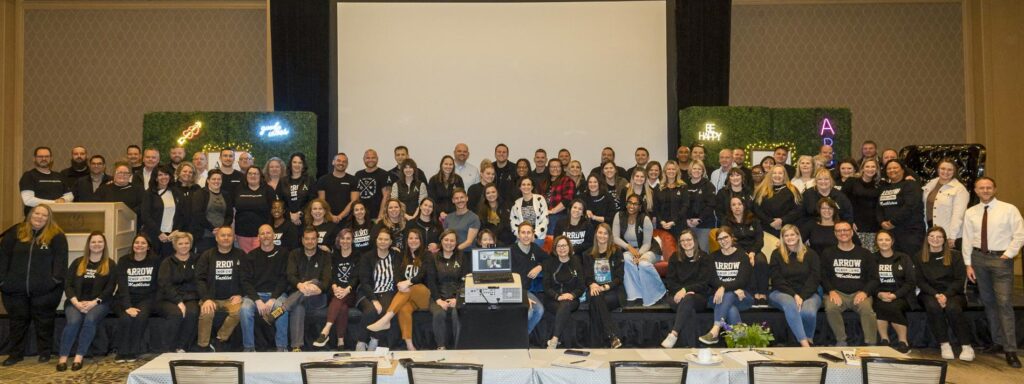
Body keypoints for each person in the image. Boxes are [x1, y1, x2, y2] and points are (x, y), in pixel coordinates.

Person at [962, 177, 1023, 367]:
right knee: (988, 303)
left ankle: (1010, 349)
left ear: (995, 189)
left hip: (1001, 260)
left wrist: (1008, 254)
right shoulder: (971, 212)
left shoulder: (1009, 209)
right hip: (978, 260)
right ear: (976, 190)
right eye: (982, 188)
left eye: (989, 187)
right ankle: (997, 342)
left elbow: (1020, 234)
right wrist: (968, 264)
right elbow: (966, 238)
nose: (986, 190)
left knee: (1004, 303)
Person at [57, 232, 116, 371]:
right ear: (88, 245)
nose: (96, 244)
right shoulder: (78, 262)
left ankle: (79, 356)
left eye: (100, 241)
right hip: (75, 301)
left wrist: (93, 303)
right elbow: (68, 284)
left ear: (104, 245)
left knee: (90, 320)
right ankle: (63, 357)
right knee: (73, 322)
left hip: (99, 303)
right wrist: (76, 303)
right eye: (93, 242)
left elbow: (110, 288)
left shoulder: (110, 264)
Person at [365, 228, 432, 350]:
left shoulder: (427, 255)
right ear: (406, 240)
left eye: (416, 238)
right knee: (404, 309)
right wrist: (401, 283)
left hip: (424, 294)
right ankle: (410, 346)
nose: (413, 241)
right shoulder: (401, 255)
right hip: (408, 296)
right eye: (410, 238)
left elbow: (423, 274)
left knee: (411, 288)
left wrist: (409, 282)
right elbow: (396, 273)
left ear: (421, 241)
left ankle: (386, 319)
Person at [917, 227, 975, 361]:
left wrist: (946, 295)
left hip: (953, 293)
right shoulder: (919, 256)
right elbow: (920, 281)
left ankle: (966, 346)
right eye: (932, 236)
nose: (935, 240)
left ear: (944, 240)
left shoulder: (955, 256)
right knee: (933, 306)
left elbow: (960, 280)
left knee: (952, 307)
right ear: (927, 239)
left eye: (939, 237)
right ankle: (944, 344)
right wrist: (936, 295)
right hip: (929, 293)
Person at [821, 221, 879, 346]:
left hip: (859, 293)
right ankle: (841, 340)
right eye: (839, 231)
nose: (843, 233)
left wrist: (865, 292)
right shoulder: (827, 253)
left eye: (846, 230)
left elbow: (874, 278)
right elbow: (823, 276)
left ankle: (871, 344)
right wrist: (831, 291)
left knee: (867, 309)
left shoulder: (865, 254)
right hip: (836, 293)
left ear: (852, 232)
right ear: (835, 234)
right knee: (831, 308)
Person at [768, 224, 821, 347]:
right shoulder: (776, 254)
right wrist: (794, 295)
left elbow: (815, 278)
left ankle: (809, 339)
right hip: (781, 292)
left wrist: (802, 295)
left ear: (798, 236)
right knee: (790, 303)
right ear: (782, 238)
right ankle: (805, 345)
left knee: (808, 312)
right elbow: (777, 279)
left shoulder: (811, 254)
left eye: (792, 234)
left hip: (808, 292)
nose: (789, 237)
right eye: (786, 235)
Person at [240, 225, 290, 352]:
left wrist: (273, 298)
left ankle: (281, 347)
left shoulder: (284, 253)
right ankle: (249, 348)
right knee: (245, 309)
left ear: (274, 236)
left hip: (277, 295)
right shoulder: (251, 256)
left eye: (268, 233)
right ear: (258, 237)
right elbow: (245, 281)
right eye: (262, 233)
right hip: (255, 296)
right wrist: (257, 300)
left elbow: (285, 278)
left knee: (281, 308)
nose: (266, 236)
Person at [699, 227, 752, 345]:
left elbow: (742, 281)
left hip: (742, 298)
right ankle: (740, 343)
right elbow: (711, 279)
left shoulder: (742, 256)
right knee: (731, 309)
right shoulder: (712, 257)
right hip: (717, 299)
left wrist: (723, 287)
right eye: (720, 239)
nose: (723, 241)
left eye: (725, 237)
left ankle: (715, 329)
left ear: (732, 237)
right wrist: (732, 289)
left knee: (728, 295)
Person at [196, 226, 246, 351]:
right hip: (211, 298)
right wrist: (206, 298)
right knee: (206, 312)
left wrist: (240, 294)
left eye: (229, 235)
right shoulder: (207, 255)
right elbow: (199, 279)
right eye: (223, 235)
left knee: (239, 312)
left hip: (231, 299)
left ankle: (219, 340)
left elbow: (246, 278)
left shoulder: (240, 254)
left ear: (234, 238)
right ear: (217, 238)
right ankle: (203, 346)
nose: (226, 238)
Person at [660, 230, 713, 348]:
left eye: (688, 239)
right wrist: (682, 291)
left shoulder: (704, 258)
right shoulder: (675, 257)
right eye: (682, 240)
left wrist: (686, 290)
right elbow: (670, 281)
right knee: (689, 309)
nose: (686, 242)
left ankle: (674, 333)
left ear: (694, 240)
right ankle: (692, 346)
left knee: (688, 300)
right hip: (676, 295)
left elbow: (704, 283)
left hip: (698, 296)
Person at [284, 227, 333, 351]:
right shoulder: (294, 254)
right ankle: (296, 347)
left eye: (313, 239)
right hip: (298, 297)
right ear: (302, 240)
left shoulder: (325, 256)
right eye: (307, 239)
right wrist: (300, 285)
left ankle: (283, 308)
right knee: (298, 307)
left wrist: (319, 288)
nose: (310, 241)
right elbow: (290, 275)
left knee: (315, 281)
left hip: (317, 298)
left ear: (317, 240)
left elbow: (327, 280)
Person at [114, 234, 161, 362]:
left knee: (140, 316)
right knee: (125, 318)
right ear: (133, 245)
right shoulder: (123, 261)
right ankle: (122, 351)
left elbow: (157, 285)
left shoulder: (156, 261)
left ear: (148, 247)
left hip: (146, 299)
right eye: (136, 242)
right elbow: (122, 286)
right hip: (124, 298)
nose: (139, 245)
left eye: (143, 243)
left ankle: (133, 351)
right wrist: (128, 306)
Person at [613, 194, 667, 306]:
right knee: (626, 258)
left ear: (640, 206)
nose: (632, 206)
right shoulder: (619, 215)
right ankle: (635, 295)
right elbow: (615, 237)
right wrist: (629, 248)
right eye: (630, 202)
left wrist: (639, 255)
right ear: (626, 203)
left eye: (635, 203)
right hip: (630, 250)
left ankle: (661, 291)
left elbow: (647, 243)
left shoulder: (645, 219)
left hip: (649, 250)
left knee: (643, 264)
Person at [356, 228, 402, 351]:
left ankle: (375, 339)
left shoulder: (396, 256)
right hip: (367, 292)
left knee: (385, 311)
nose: (383, 242)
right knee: (371, 310)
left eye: (386, 239)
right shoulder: (367, 257)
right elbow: (364, 282)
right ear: (376, 240)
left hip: (387, 291)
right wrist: (374, 300)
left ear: (391, 241)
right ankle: (361, 341)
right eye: (380, 239)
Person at [313, 229, 360, 350]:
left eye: (348, 238)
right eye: (343, 238)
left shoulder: (358, 255)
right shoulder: (334, 256)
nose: (345, 241)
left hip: (351, 292)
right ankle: (341, 342)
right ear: (339, 240)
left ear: (352, 240)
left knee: (340, 300)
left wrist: (346, 289)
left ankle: (326, 330)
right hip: (335, 290)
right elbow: (331, 275)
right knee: (342, 307)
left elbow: (356, 277)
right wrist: (335, 287)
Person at [157, 231, 200, 353]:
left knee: (192, 312)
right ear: (175, 245)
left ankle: (182, 347)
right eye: (180, 243)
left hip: (191, 297)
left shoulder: (197, 260)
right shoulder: (167, 262)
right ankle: (168, 349)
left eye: (187, 243)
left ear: (191, 244)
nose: (184, 246)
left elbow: (201, 280)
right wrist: (179, 302)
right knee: (176, 314)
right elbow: (165, 284)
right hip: (168, 298)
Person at [873, 230, 915, 354]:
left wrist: (895, 295)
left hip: (902, 295)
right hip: (879, 294)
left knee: (894, 306)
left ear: (892, 241)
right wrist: (879, 294)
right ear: (876, 242)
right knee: (880, 305)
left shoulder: (903, 258)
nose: (884, 242)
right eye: (880, 240)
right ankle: (884, 339)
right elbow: (868, 281)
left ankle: (903, 341)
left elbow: (911, 282)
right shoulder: (872, 258)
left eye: (887, 239)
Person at [583, 223, 624, 348]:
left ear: (609, 236)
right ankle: (612, 337)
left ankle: (596, 343)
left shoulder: (616, 251)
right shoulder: (587, 254)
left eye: (605, 233)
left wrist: (605, 287)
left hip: (612, 291)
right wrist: (592, 284)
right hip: (595, 290)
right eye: (600, 233)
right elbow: (587, 277)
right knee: (596, 297)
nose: (602, 236)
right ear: (596, 234)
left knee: (596, 301)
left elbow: (619, 278)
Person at [427, 230, 469, 349]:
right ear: (441, 241)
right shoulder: (433, 258)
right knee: (439, 313)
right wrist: (439, 300)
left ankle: (457, 347)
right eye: (446, 240)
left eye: (452, 240)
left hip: (458, 296)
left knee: (457, 313)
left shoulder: (462, 257)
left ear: (456, 243)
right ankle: (441, 346)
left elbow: (465, 280)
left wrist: (457, 299)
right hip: (438, 296)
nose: (449, 243)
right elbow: (431, 282)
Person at [543, 236, 585, 349]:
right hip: (552, 299)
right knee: (564, 309)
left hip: (571, 299)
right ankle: (567, 343)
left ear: (569, 247)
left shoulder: (576, 261)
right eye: (559, 246)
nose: (562, 248)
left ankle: (555, 338)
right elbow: (546, 287)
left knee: (565, 305)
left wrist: (572, 295)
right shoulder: (549, 263)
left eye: (564, 245)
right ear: (555, 249)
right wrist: (557, 296)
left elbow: (581, 286)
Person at [724, 196, 768, 307]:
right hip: (736, 250)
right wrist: (743, 253)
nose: (737, 207)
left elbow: (759, 239)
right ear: (730, 208)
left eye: (739, 204)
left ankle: (762, 293)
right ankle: (753, 294)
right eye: (733, 205)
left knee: (761, 262)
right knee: (746, 262)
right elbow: (728, 240)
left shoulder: (754, 220)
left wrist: (752, 252)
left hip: (754, 249)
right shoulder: (726, 221)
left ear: (744, 206)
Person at [878, 160, 925, 256]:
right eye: (889, 168)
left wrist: (893, 222)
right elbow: (878, 207)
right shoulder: (885, 187)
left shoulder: (911, 184)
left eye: (895, 168)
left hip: (910, 232)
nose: (892, 170)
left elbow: (910, 205)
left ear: (903, 170)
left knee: (909, 262)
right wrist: (881, 221)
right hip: (891, 233)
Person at [922, 159, 969, 247]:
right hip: (930, 229)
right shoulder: (932, 183)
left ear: (954, 171)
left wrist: (952, 236)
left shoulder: (959, 189)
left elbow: (959, 215)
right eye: (943, 168)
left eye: (949, 170)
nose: (945, 172)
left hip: (947, 233)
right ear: (938, 169)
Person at [141, 166, 186, 257]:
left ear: (170, 176)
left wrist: (176, 231)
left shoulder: (177, 193)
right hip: (154, 235)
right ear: (156, 178)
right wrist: (159, 233)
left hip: (172, 236)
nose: (163, 177)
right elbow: (145, 215)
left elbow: (182, 214)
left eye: (166, 174)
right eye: (160, 175)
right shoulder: (149, 193)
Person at [510, 222, 547, 334]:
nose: (526, 235)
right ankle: (515, 337)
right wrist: (521, 296)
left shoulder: (535, 248)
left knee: (539, 310)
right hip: (512, 291)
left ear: (532, 235)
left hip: (526, 291)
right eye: (523, 232)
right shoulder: (510, 250)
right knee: (528, 311)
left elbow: (549, 260)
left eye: (529, 233)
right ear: (518, 235)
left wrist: (540, 267)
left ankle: (523, 337)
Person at [188, 170, 233, 255]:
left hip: (223, 236)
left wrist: (222, 229)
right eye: (214, 179)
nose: (216, 181)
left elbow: (229, 215)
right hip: (205, 236)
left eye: (219, 179)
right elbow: (197, 214)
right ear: (208, 180)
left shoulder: (226, 195)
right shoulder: (200, 193)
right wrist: (212, 229)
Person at [20, 146, 73, 215]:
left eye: (47, 156)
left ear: (51, 159)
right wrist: (54, 203)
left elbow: (70, 195)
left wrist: (63, 200)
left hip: (58, 217)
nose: (44, 159)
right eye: (40, 156)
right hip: (36, 218)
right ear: (34, 159)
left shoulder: (59, 175)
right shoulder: (28, 176)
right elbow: (28, 200)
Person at [233, 166, 275, 253]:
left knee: (260, 258)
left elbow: (273, 212)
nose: (253, 176)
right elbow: (232, 210)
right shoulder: (238, 189)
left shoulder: (268, 190)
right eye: (250, 173)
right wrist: (232, 230)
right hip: (241, 233)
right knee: (245, 260)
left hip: (262, 234)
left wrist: (269, 229)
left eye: (255, 174)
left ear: (260, 176)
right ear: (246, 176)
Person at [753, 165, 802, 238]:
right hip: (765, 228)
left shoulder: (793, 190)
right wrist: (770, 221)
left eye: (780, 173)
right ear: (770, 175)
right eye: (774, 173)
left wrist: (782, 220)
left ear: (784, 175)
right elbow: (756, 208)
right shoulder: (762, 189)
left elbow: (798, 209)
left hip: (787, 229)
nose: (777, 175)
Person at [846, 158, 882, 252]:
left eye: (873, 166)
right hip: (856, 225)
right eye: (867, 166)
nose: (870, 169)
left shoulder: (880, 184)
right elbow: (843, 202)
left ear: (877, 169)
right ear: (862, 168)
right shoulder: (852, 181)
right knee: (857, 254)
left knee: (872, 256)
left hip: (874, 226)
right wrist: (849, 221)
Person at [315, 153, 359, 223]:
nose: (341, 163)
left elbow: (354, 201)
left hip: (347, 220)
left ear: (347, 164)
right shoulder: (323, 180)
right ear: (333, 162)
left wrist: (340, 216)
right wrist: (331, 216)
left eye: (344, 161)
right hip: (327, 219)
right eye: (338, 160)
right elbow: (321, 201)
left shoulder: (353, 180)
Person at [683, 162, 716, 251]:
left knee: (702, 251)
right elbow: (682, 204)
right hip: (687, 224)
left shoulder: (708, 185)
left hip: (704, 225)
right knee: (689, 251)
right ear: (690, 170)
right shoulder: (684, 185)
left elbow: (711, 205)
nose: (696, 171)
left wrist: (699, 219)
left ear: (703, 171)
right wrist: (686, 219)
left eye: (699, 169)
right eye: (694, 168)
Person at [540, 159, 575, 235]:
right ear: (548, 168)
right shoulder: (544, 182)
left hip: (560, 214)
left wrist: (553, 211)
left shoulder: (567, 181)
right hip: (545, 215)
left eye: (558, 166)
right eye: (552, 167)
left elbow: (567, 200)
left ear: (561, 168)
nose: (555, 169)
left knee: (552, 232)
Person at [356, 149, 393, 219]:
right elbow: (356, 197)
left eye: (373, 158)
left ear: (377, 159)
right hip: (361, 215)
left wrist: (380, 216)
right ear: (364, 159)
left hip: (377, 215)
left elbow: (386, 196)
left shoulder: (384, 174)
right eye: (368, 158)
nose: (370, 160)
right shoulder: (358, 174)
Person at [280, 153, 315, 225]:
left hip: (305, 219)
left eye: (300, 163)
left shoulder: (309, 180)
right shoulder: (282, 181)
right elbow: (280, 202)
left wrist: (299, 214)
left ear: (303, 165)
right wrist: (290, 215)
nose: (297, 165)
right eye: (294, 162)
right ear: (290, 164)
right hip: (287, 220)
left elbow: (312, 200)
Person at [511, 178, 549, 243]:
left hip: (537, 237)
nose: (526, 186)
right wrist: (522, 236)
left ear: (532, 187)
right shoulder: (516, 203)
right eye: (523, 184)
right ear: (520, 187)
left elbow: (545, 220)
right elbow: (514, 223)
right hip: (522, 237)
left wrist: (534, 235)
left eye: (528, 184)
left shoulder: (540, 199)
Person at [655, 160, 687, 238]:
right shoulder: (658, 187)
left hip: (678, 225)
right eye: (669, 169)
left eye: (673, 169)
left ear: (677, 171)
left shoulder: (683, 186)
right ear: (665, 171)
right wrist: (661, 222)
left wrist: (674, 222)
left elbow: (685, 206)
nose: (671, 171)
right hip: (662, 225)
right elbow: (656, 208)